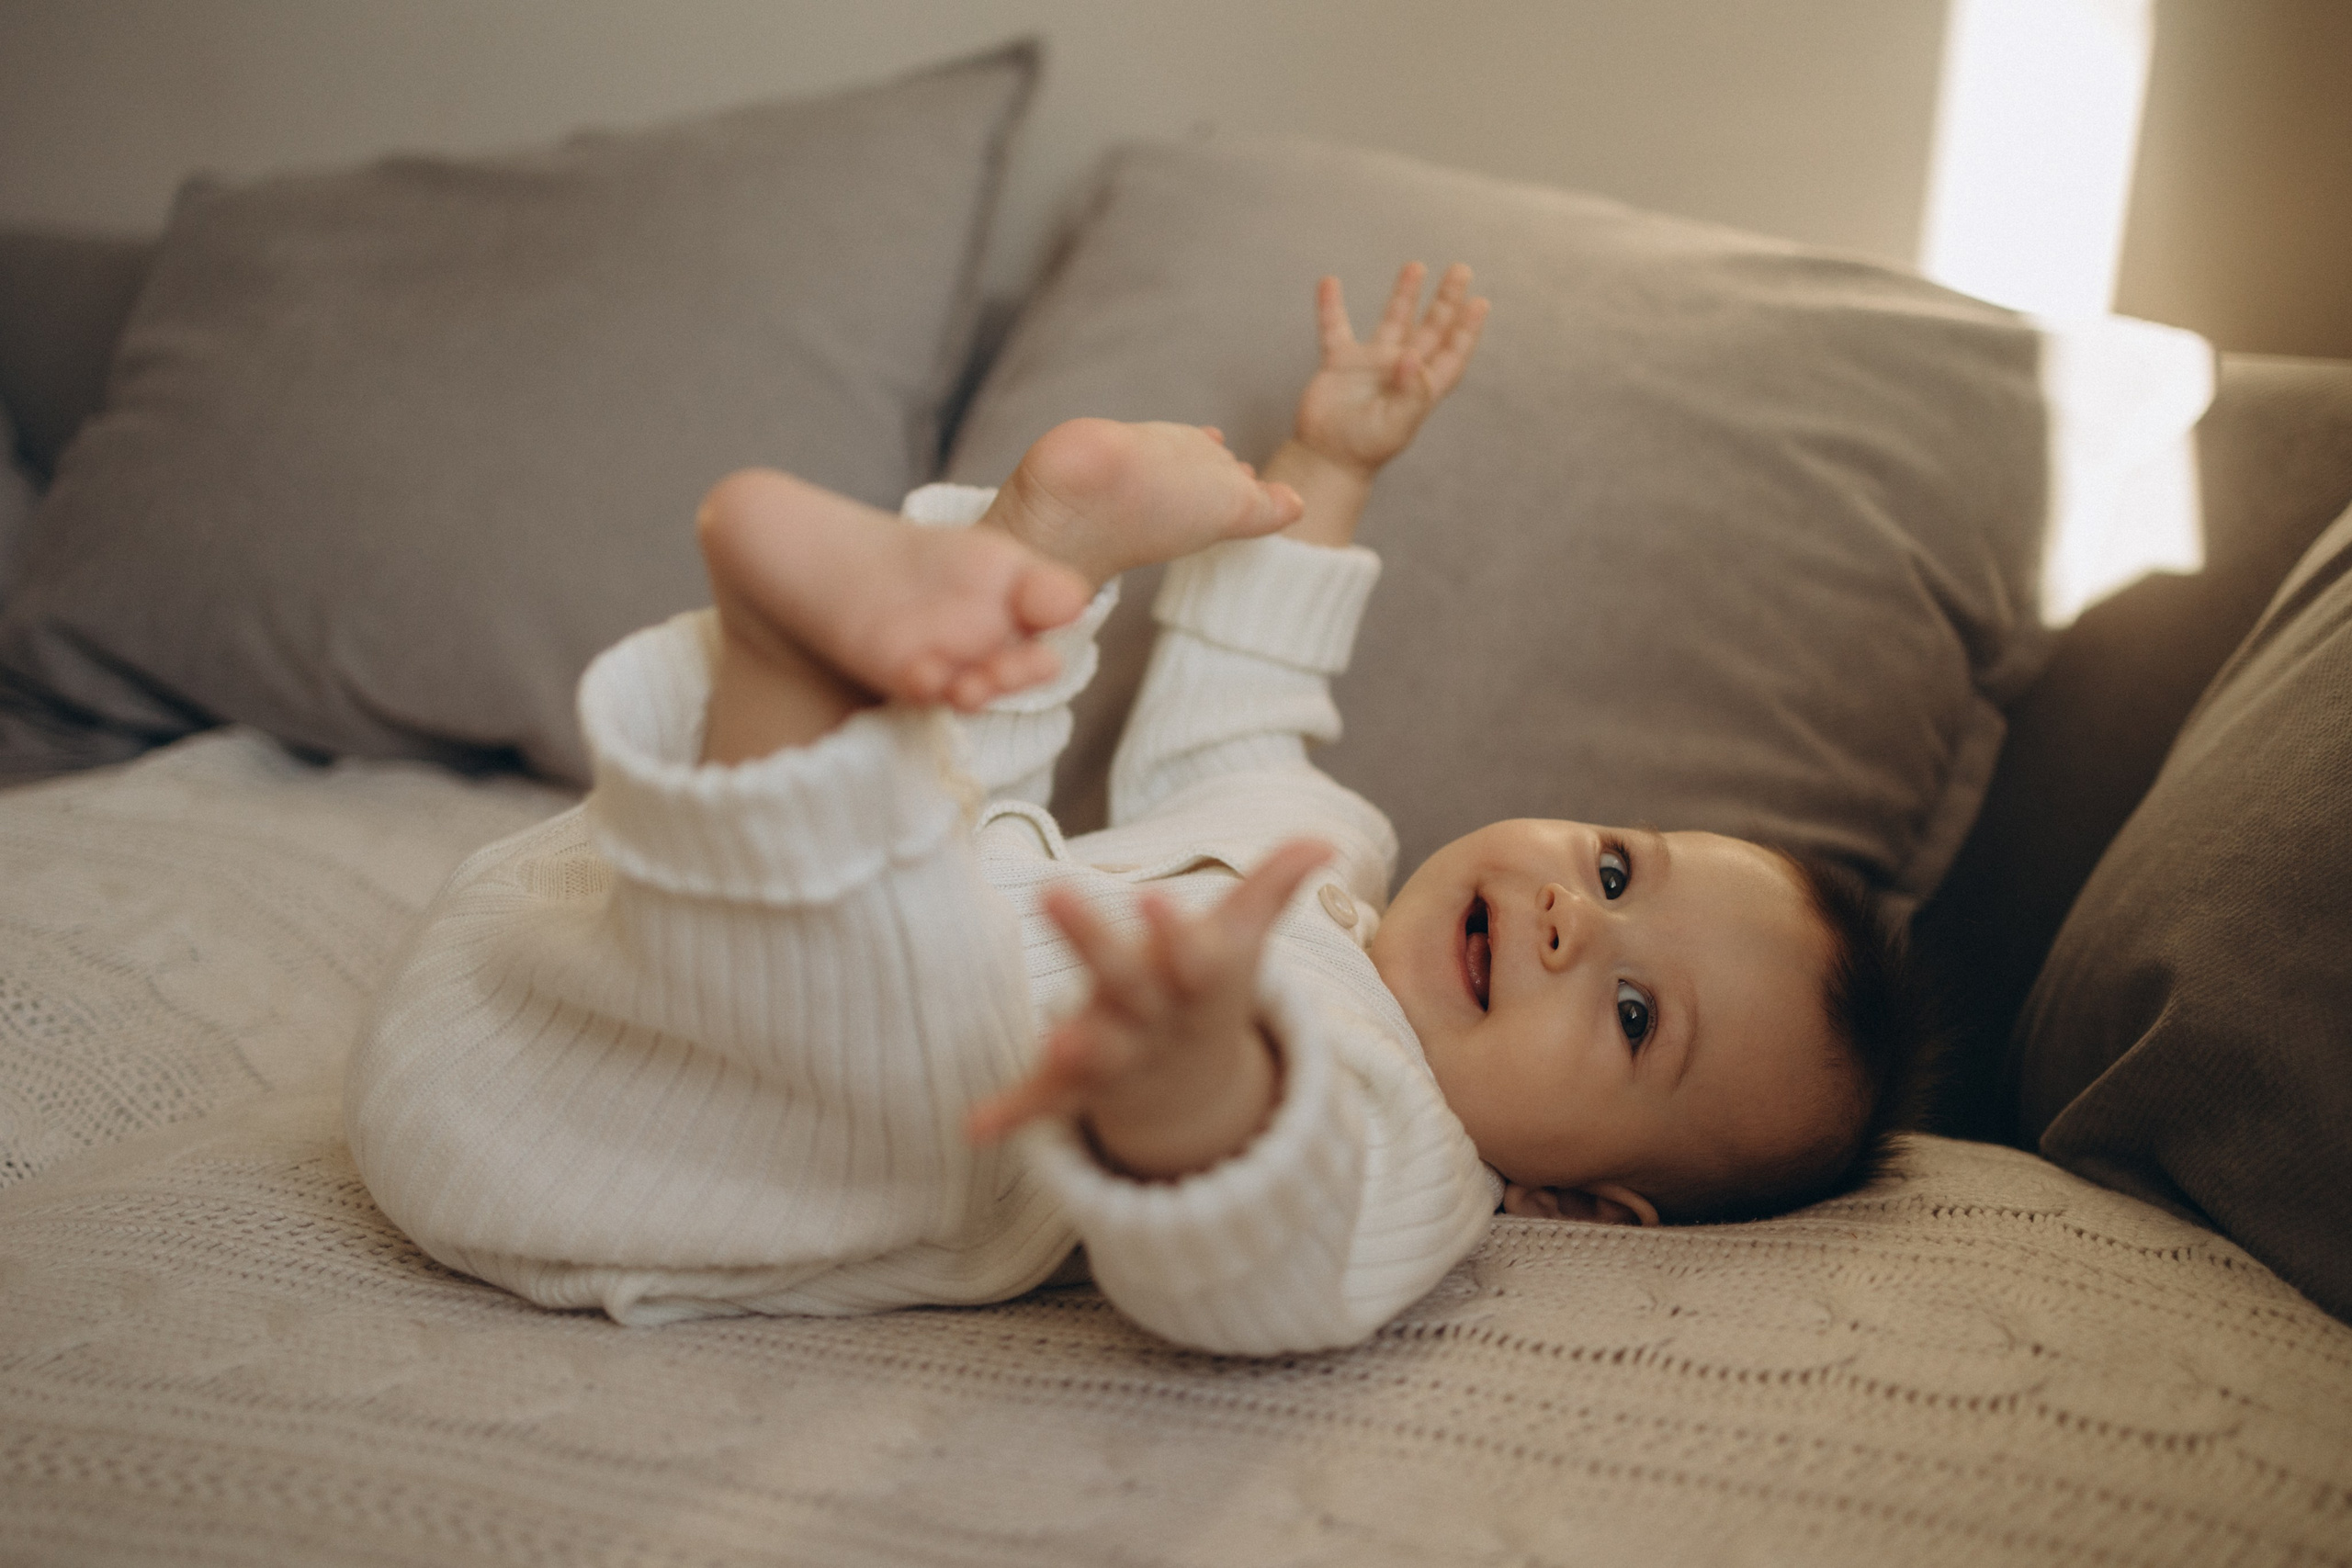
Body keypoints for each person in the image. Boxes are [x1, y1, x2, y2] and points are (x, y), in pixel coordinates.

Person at [346, 263, 1925, 1355]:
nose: (1581, 918)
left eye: (1640, 1013)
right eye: (1616, 863)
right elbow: (1241, 704)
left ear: (1578, 1200)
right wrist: (1330, 461)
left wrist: (1192, 1096)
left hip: (657, 1121)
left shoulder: (1401, 1146)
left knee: (912, 944)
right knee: (960, 800)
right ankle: (1019, 565)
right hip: (565, 941)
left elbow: (1270, 1258)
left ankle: (815, 657)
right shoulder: (1333, 857)